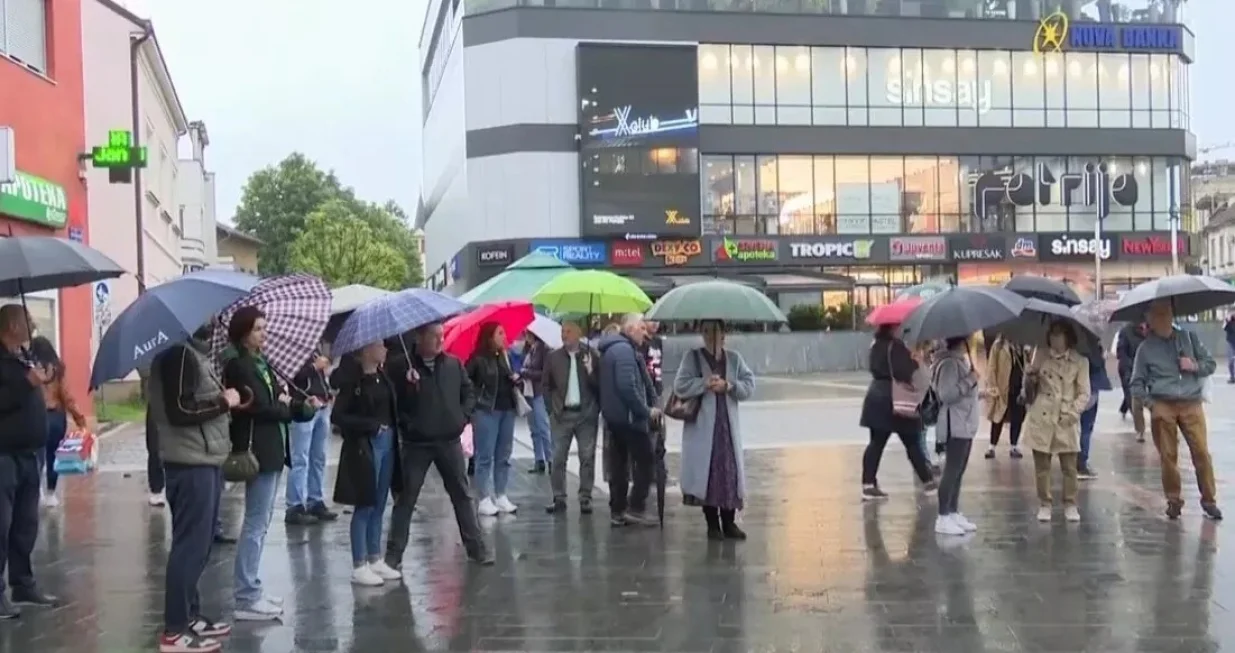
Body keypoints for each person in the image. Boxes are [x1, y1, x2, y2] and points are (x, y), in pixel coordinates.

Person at [148, 323, 240, 653]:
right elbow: (180, 411)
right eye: (209, 316)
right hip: (190, 464)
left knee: (198, 546)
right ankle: (174, 630)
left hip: (204, 460)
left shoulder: (189, 356)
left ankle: (189, 615)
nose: (214, 322)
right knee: (189, 546)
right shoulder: (178, 356)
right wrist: (223, 403)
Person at [222, 306, 318, 621]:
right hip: (257, 450)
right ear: (244, 334)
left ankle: (252, 588)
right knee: (254, 523)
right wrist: (290, 409)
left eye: (265, 327)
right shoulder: (239, 366)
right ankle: (246, 596)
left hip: (273, 449)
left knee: (260, 524)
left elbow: (280, 397)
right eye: (258, 329)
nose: (265, 333)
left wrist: (302, 406)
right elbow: (262, 408)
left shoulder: (263, 363)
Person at [384, 322, 493, 566]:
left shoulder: (453, 364)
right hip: (416, 443)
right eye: (434, 336)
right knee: (406, 498)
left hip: (449, 440)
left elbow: (469, 392)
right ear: (419, 337)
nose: (440, 341)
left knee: (462, 495)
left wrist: (462, 417)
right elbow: (391, 401)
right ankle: (394, 553)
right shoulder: (401, 366)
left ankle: (477, 548)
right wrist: (407, 422)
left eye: (441, 336)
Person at [1130, 299, 1221, 520]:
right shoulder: (1145, 349)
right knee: (1168, 457)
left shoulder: (1188, 338)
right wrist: (1152, 405)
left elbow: (1210, 363)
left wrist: (1194, 366)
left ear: (1172, 316)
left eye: (1165, 314)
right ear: (1149, 320)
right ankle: (1173, 500)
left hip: (1191, 403)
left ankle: (1209, 500)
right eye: (1156, 316)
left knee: (1201, 452)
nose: (1161, 320)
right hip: (1163, 404)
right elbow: (1136, 384)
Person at [0, 304, 58, 619]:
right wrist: (28, 384)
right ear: (11, 325)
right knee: (1, 525)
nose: (33, 323)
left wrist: (43, 377)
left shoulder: (24, 354)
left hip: (29, 453)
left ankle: (22, 582)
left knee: (25, 524)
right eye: (26, 319)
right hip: (4, 455)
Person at [673, 320, 755, 540]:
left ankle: (729, 522)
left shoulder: (734, 359)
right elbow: (680, 385)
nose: (712, 336)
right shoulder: (692, 357)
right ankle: (712, 525)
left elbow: (749, 385)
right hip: (703, 428)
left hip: (727, 428)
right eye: (707, 331)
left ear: (724, 334)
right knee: (707, 474)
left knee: (728, 474)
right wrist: (704, 384)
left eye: (716, 331)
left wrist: (729, 386)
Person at [331, 340, 404, 586]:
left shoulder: (383, 376)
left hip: (389, 444)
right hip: (366, 447)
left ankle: (375, 557)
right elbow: (338, 416)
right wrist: (370, 426)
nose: (384, 349)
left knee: (380, 502)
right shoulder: (354, 382)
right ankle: (359, 563)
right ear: (366, 351)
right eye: (379, 345)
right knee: (365, 503)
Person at [1022, 320, 1090, 523]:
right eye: (1052, 334)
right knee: (1041, 466)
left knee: (1069, 466)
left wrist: (1073, 412)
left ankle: (1070, 503)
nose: (1054, 338)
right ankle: (1045, 503)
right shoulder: (1040, 356)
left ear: (1067, 336)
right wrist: (1030, 377)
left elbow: (1084, 393)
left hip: (1065, 415)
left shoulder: (1080, 361)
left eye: (1059, 334)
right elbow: (1028, 393)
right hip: (1042, 416)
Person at [859, 324, 936, 500]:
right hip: (895, 399)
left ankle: (868, 484)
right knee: (912, 441)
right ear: (893, 328)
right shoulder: (896, 347)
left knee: (876, 443)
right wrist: (915, 361)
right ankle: (928, 481)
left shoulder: (876, 345)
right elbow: (906, 371)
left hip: (876, 397)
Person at [597, 313, 660, 527]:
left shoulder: (615, 348)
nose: (645, 332)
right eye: (642, 328)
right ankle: (634, 508)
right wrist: (645, 411)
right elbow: (627, 387)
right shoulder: (624, 351)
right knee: (645, 462)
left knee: (619, 465)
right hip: (629, 418)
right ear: (631, 329)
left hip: (615, 419)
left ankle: (618, 510)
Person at [542, 321, 601, 515]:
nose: (564, 335)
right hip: (562, 415)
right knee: (558, 458)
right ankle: (559, 497)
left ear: (578, 333)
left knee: (587, 457)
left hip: (585, 415)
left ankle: (585, 497)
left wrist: (591, 370)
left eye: (568, 332)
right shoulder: (553, 357)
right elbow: (546, 386)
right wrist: (551, 409)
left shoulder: (591, 355)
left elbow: (600, 385)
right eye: (562, 332)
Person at [467, 322, 520, 517]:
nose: (504, 336)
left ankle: (501, 494)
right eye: (500, 332)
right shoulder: (478, 359)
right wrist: (475, 403)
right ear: (489, 336)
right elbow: (466, 382)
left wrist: (515, 378)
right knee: (485, 455)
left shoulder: (504, 356)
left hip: (508, 409)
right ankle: (483, 497)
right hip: (487, 411)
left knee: (504, 454)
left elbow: (508, 378)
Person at [931, 336, 980, 536]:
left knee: (959, 470)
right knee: (952, 470)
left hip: (965, 423)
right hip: (955, 424)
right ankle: (943, 515)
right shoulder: (950, 363)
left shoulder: (959, 361)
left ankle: (952, 511)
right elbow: (946, 394)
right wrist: (970, 380)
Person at [28, 336, 85, 508]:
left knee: (37, 455)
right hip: (57, 418)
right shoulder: (57, 369)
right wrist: (79, 418)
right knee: (53, 456)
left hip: (37, 417)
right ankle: (51, 494)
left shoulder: (31, 370)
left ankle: (37, 491)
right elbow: (66, 396)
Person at [285, 352, 338, 525]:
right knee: (300, 457)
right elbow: (290, 375)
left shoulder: (312, 348)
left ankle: (315, 499)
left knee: (318, 457)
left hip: (322, 405)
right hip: (304, 407)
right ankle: (295, 505)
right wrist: (314, 367)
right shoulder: (290, 350)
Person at [983, 334, 1029, 460]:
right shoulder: (999, 345)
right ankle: (991, 446)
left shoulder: (1023, 346)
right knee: (998, 417)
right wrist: (992, 385)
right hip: (1002, 386)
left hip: (1019, 387)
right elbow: (992, 366)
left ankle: (1014, 445)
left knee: (1018, 417)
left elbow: (1028, 365)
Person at [1077, 346, 1112, 480]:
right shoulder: (1089, 346)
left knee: (1078, 427)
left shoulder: (1075, 346)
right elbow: (1097, 365)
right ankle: (1081, 463)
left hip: (1079, 389)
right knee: (1086, 427)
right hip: (1090, 389)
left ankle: (1076, 461)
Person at [520, 332, 552, 474]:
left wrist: (525, 372)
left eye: (527, 333)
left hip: (538, 392)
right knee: (534, 429)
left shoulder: (543, 350)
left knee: (543, 426)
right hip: (528, 392)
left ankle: (550, 459)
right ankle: (539, 460)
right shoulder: (528, 350)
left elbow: (545, 373)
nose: (525, 335)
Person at [1116, 321, 1149, 441]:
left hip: (1147, 368)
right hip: (1130, 368)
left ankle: (1124, 407)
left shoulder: (1153, 330)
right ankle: (1140, 430)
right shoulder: (1126, 331)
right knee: (1135, 398)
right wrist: (1131, 371)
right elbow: (1121, 353)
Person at [1224, 311, 1235, 383]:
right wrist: (1227, 320)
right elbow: (1224, 328)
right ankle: (1232, 377)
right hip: (1231, 342)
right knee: (1231, 360)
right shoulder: (1228, 321)